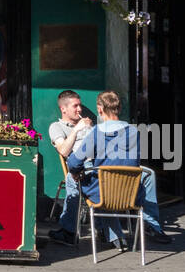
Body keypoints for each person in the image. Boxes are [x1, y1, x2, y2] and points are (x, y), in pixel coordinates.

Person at [65, 91, 171, 248]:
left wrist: (75, 172)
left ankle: (70, 231)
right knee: (147, 174)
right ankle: (151, 226)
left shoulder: (96, 132)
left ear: (99, 109)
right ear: (119, 108)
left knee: (97, 186)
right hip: (130, 192)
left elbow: (74, 162)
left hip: (103, 192)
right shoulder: (134, 131)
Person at [47, 90, 94, 246]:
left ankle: (152, 227)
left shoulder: (89, 124)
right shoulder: (56, 127)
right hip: (80, 168)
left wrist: (91, 130)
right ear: (64, 109)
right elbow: (64, 151)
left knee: (146, 175)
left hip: (99, 165)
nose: (79, 109)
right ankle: (68, 232)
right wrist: (77, 130)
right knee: (73, 177)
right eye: (75, 106)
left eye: (79, 105)